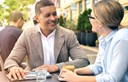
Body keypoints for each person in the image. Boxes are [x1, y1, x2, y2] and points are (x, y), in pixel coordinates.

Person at [4, 0, 89, 81]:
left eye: (54, 14)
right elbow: (11, 60)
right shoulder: (27, 35)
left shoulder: (68, 35)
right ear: (37, 18)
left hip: (61, 79)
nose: (53, 18)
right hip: (35, 80)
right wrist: (13, 68)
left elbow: (83, 61)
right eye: (47, 15)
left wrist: (55, 67)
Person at [60, 0, 128, 82]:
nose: (89, 20)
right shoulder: (104, 39)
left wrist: (76, 78)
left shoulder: (122, 38)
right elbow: (98, 66)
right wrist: (75, 71)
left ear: (100, 22)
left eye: (91, 17)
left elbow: (112, 78)